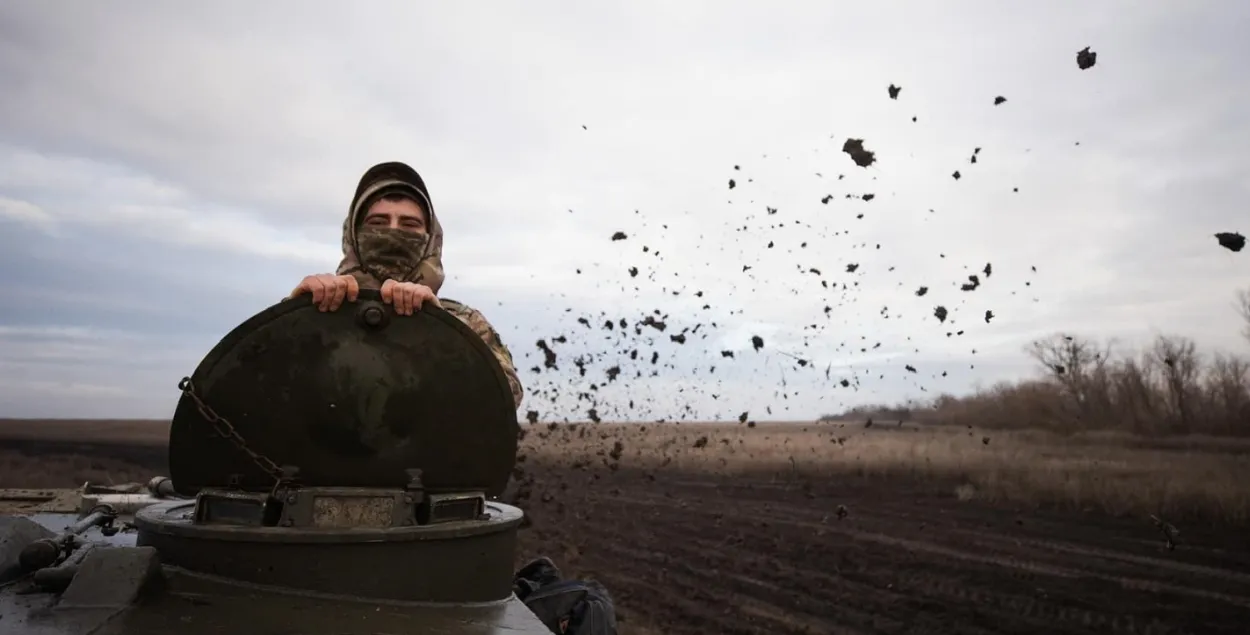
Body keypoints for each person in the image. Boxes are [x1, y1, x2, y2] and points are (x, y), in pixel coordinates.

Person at [289, 162, 524, 409]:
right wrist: (296, 318)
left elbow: (504, 399)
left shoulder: (466, 323)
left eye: (409, 225)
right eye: (378, 223)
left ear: (431, 238)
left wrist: (438, 328)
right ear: (354, 235)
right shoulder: (319, 308)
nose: (393, 231)